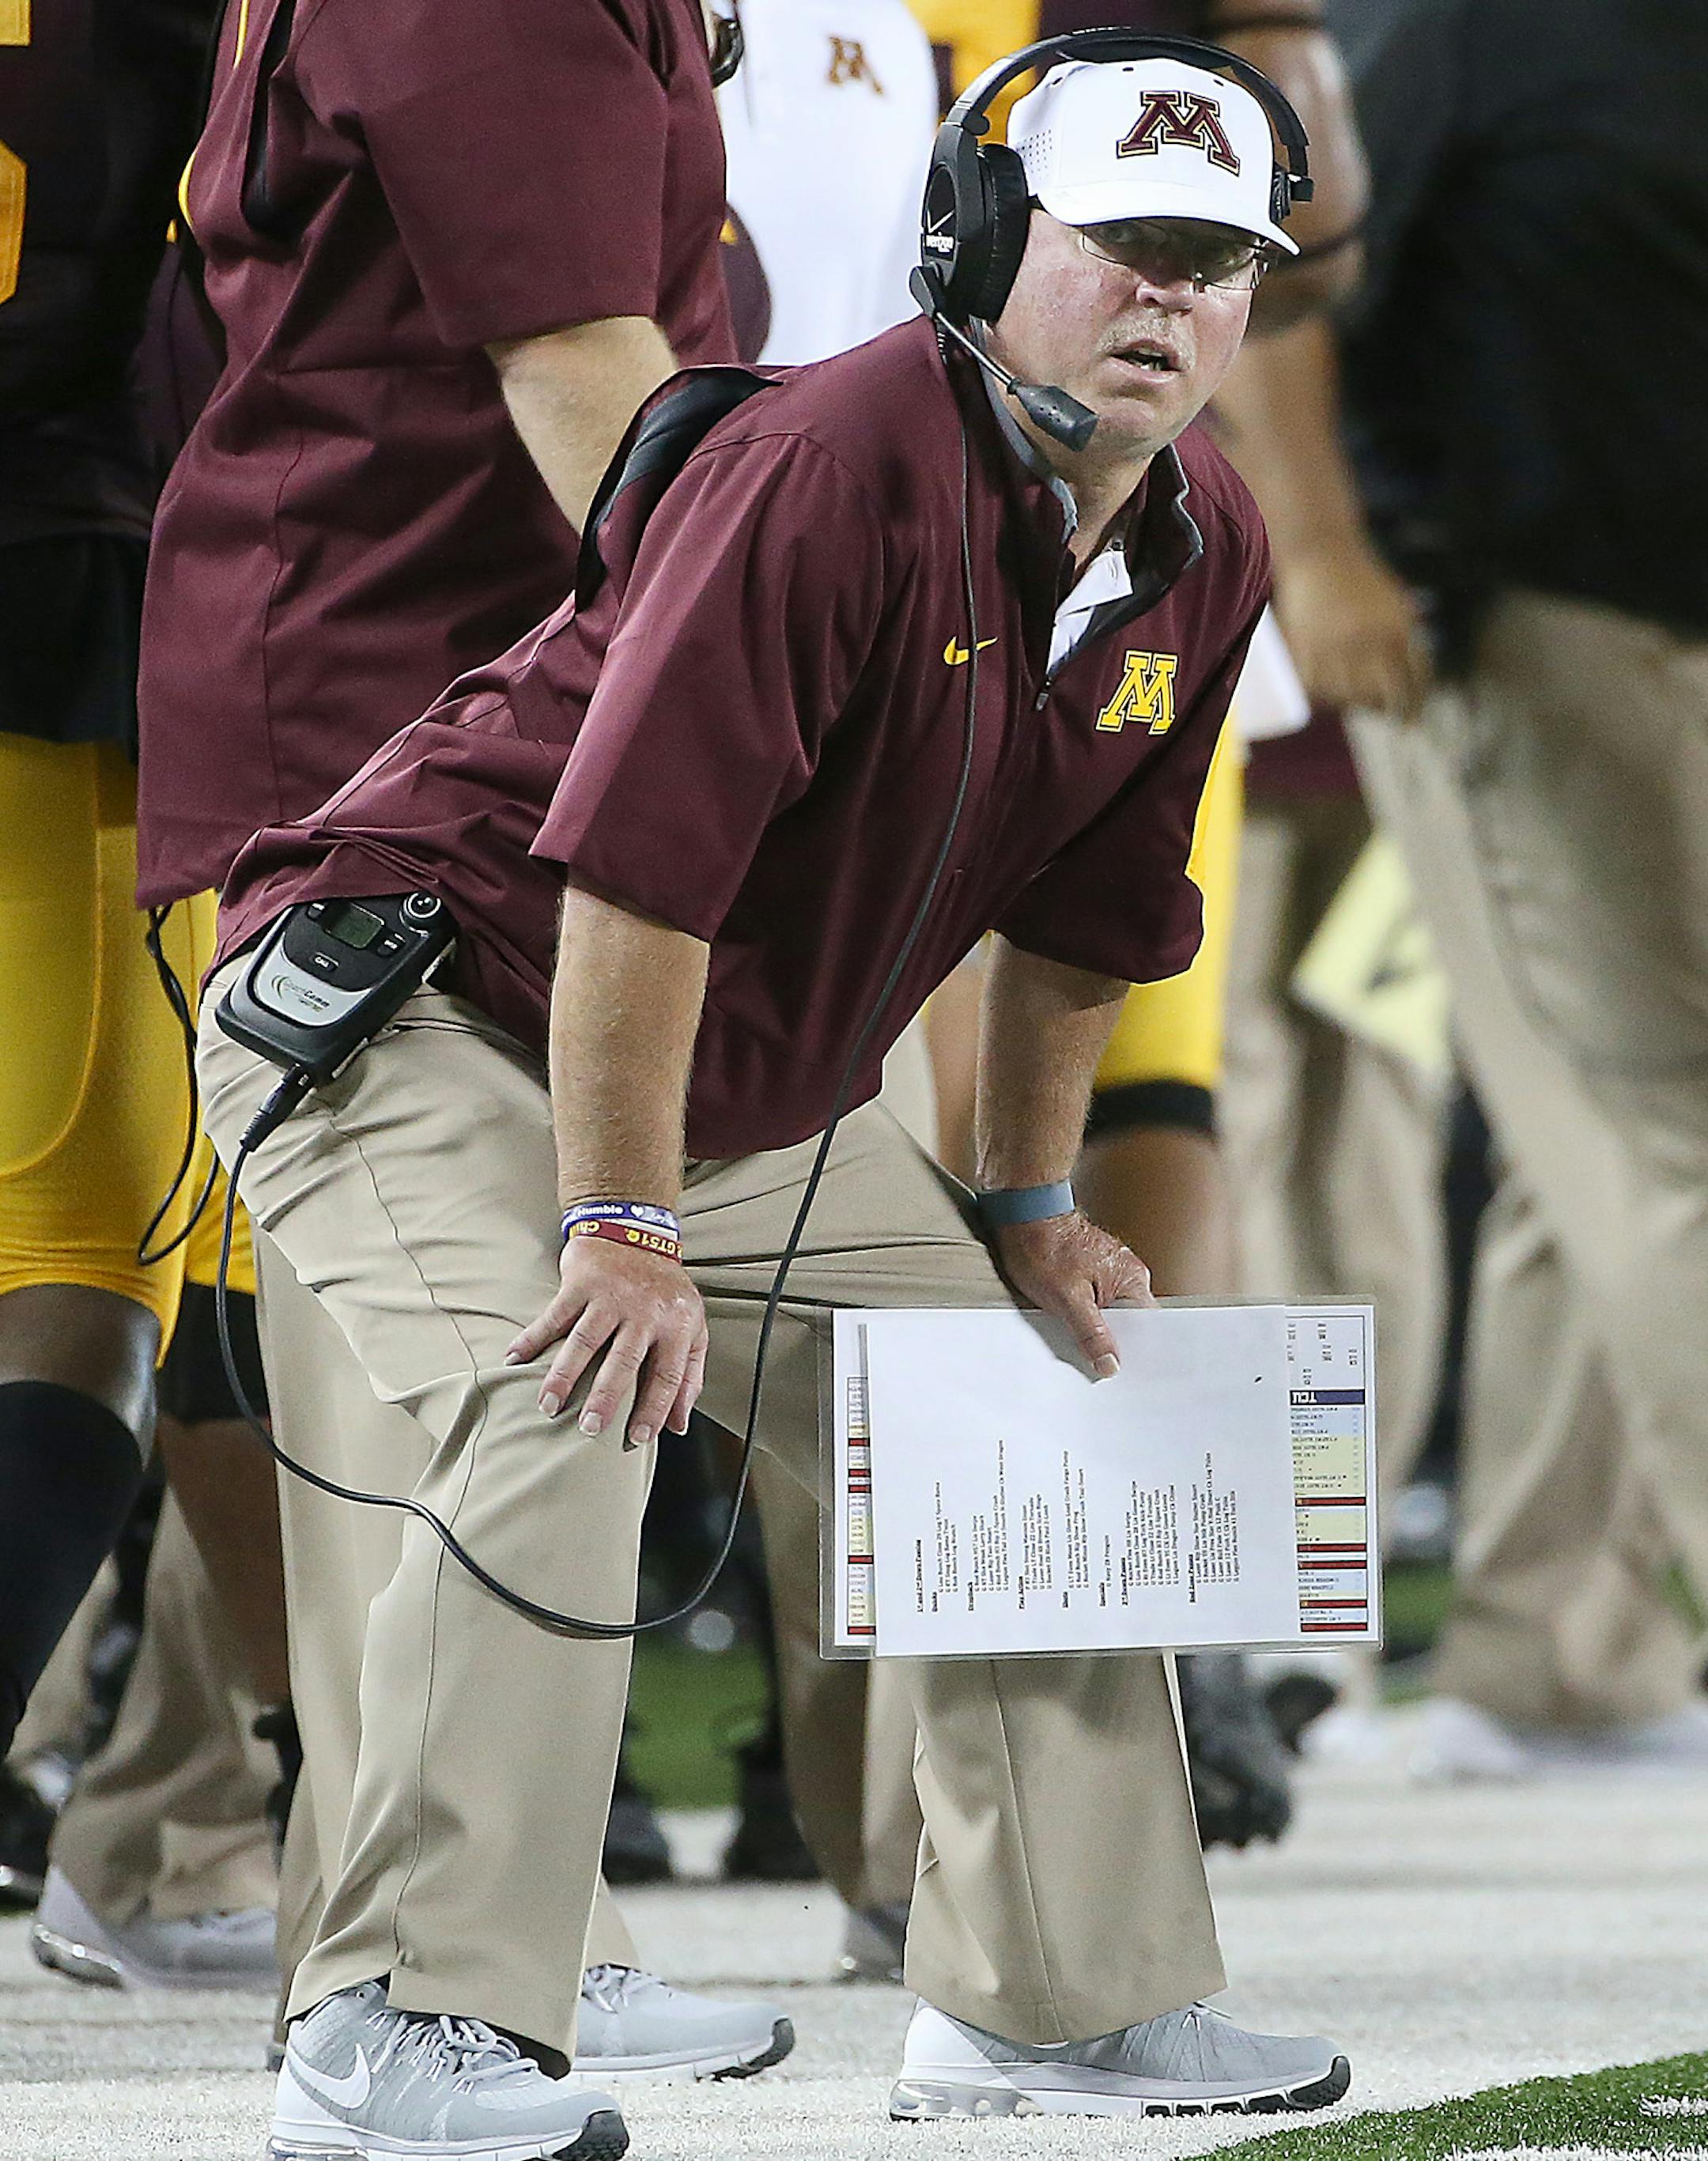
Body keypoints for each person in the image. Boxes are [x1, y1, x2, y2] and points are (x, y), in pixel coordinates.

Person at [199, 42, 1354, 2157]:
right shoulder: (832, 465)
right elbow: (634, 871)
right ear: (991, 248)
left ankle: (1051, 2002)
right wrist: (619, 1220)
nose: (1171, 304)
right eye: (1124, 251)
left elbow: (1093, 916)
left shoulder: (1204, 543)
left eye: (1217, 264)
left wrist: (1018, 1209)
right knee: (566, 1390)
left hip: (715, 1081)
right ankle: (394, 2030)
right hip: (432, 1005)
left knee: (1037, 1395)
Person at [134, 0, 787, 2074]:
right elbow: (576, 358)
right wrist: (772, 688)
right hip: (390, 742)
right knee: (472, 1376)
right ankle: (456, 1960)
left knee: (416, 1396)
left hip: (437, 711)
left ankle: (483, 1928)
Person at [1324, 0, 1708, 1774]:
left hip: (1603, 617)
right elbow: (1299, 262)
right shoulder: (1460, 28)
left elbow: (1303, 265)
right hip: (1543, 619)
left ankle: (1562, 1642)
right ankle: (1554, 1642)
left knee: (1615, 1147)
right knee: (1633, 1142)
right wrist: (1322, 546)